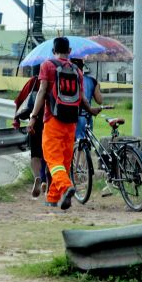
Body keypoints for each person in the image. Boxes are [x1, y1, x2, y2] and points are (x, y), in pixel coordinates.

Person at [28, 37, 102, 210]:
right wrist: (91, 111)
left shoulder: (47, 65)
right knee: (65, 161)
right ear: (69, 51)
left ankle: (66, 187)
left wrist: (33, 117)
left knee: (53, 160)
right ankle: (52, 198)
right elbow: (82, 97)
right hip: (71, 122)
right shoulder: (77, 70)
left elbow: (42, 92)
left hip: (53, 119)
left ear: (53, 51)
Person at [13, 73, 48, 197]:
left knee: (35, 153)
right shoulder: (57, 78)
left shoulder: (33, 81)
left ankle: (37, 177)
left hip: (36, 122)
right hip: (52, 121)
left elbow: (19, 101)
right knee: (49, 154)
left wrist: (16, 119)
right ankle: (46, 180)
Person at [71, 58, 103, 141]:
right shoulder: (92, 81)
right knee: (87, 144)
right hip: (88, 116)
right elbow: (100, 100)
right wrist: (97, 85)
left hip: (75, 116)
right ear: (83, 67)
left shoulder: (70, 79)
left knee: (77, 145)